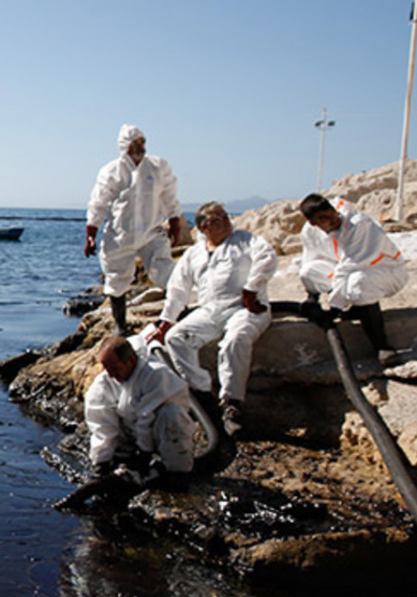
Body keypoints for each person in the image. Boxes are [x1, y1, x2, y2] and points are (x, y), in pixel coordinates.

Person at [147, 202, 276, 436]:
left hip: (244, 308)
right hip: (210, 310)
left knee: (234, 340)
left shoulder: (245, 240)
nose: (226, 221)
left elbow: (267, 258)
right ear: (204, 227)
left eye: (225, 216)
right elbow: (178, 289)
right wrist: (166, 322)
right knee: (176, 338)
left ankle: (232, 404)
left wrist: (252, 288)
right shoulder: (194, 254)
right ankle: (202, 393)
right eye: (218, 219)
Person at [86, 124, 185, 334]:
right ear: (125, 147)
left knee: (165, 271)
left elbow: (169, 195)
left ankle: (179, 314)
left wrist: (175, 221)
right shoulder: (111, 171)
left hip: (152, 231)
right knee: (116, 277)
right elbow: (99, 203)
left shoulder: (158, 167)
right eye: (135, 144)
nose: (140, 147)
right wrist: (91, 234)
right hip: (121, 233)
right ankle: (120, 326)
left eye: (142, 142)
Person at [298, 193, 409, 364]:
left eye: (332, 213)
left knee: (358, 283)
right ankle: (356, 307)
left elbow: (352, 264)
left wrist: (334, 307)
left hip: (386, 272)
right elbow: (311, 260)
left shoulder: (359, 224)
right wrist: (312, 298)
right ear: (313, 223)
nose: (332, 219)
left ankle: (381, 346)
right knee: (308, 271)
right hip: (349, 271)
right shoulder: (310, 232)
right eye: (324, 218)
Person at [84, 335, 195, 484]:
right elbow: (101, 425)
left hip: (159, 431)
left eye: (115, 368)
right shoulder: (105, 383)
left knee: (171, 416)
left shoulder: (155, 375)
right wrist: (100, 463)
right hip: (130, 433)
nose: (111, 374)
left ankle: (177, 473)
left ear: (130, 360)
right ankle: (123, 463)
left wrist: (144, 454)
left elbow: (146, 418)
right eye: (107, 369)